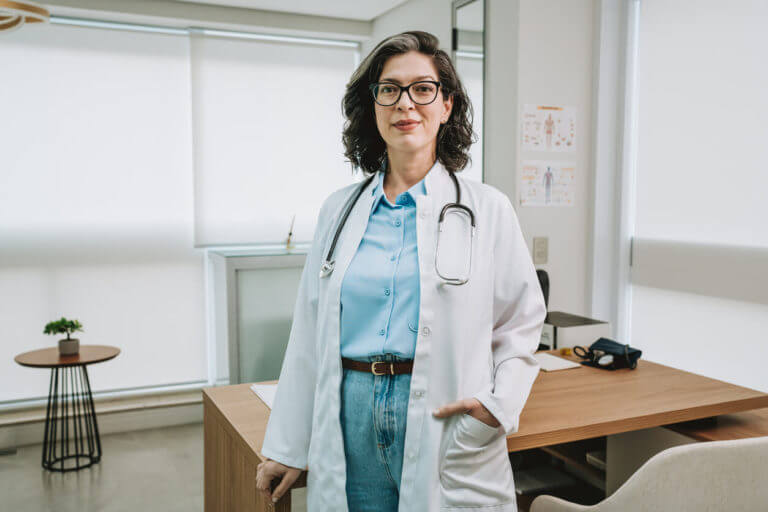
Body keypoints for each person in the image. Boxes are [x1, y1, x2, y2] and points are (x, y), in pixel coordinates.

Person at [256, 30, 546, 512]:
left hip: (442, 417)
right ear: (373, 106)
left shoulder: (487, 209)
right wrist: (288, 445)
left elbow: (520, 323)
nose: (405, 104)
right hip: (352, 417)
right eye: (389, 89)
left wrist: (498, 407)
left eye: (422, 88)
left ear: (447, 105)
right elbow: (309, 333)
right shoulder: (338, 210)